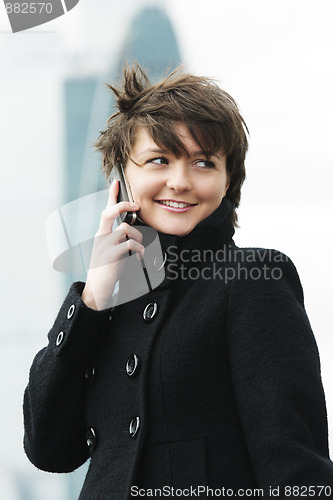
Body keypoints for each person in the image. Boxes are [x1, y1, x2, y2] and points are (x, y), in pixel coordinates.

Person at [23, 65, 333, 499]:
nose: (181, 181)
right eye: (159, 160)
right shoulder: (107, 308)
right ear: (120, 180)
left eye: (204, 162)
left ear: (229, 181)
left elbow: (297, 472)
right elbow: (48, 449)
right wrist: (91, 298)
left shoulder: (254, 280)